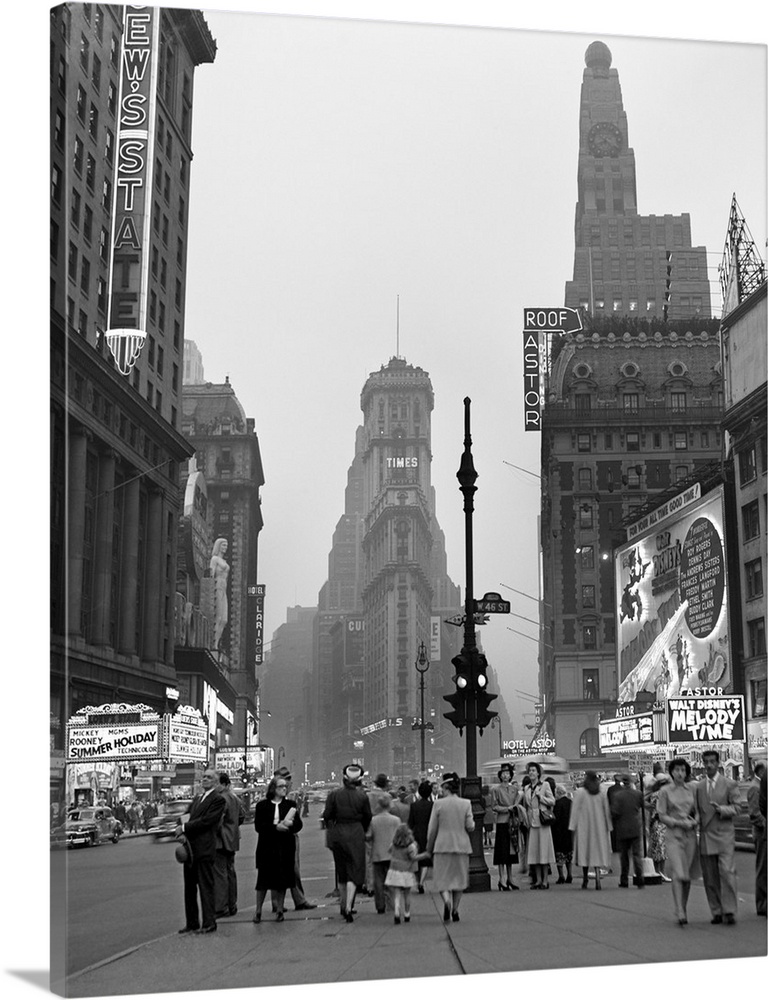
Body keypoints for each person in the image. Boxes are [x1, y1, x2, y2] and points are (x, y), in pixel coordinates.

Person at [177, 768, 227, 935]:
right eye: (204, 777)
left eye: (209, 777)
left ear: (215, 782)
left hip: (205, 849)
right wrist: (182, 832)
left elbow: (207, 821)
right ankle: (192, 922)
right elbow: (186, 816)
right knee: (189, 889)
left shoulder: (218, 800)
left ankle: (209, 922)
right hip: (190, 849)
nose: (204, 779)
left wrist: (185, 827)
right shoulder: (197, 799)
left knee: (206, 887)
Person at [694, 749, 740, 925]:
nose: (709, 765)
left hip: (724, 834)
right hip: (706, 835)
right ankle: (716, 911)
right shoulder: (698, 787)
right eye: (706, 762)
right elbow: (697, 811)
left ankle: (729, 910)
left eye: (712, 761)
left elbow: (738, 808)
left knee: (727, 873)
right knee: (710, 877)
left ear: (718, 763)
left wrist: (722, 809)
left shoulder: (730, 784)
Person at [323, 763, 372, 922]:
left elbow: (327, 816)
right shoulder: (362, 796)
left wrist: (333, 829)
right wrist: (361, 829)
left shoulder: (333, 795)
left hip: (338, 834)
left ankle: (343, 905)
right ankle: (349, 906)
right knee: (355, 872)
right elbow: (367, 817)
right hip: (355, 833)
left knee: (342, 871)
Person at [253, 775, 303, 923]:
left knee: (282, 880)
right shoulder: (262, 806)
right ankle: (258, 911)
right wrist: (276, 827)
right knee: (263, 881)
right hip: (267, 846)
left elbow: (298, 825)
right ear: (273, 788)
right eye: (281, 786)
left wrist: (288, 826)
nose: (284, 789)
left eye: (285, 787)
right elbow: (259, 826)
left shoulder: (290, 805)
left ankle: (280, 910)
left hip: (285, 846)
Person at [426, 772, 474, 922]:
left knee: (442, 879)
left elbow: (432, 829)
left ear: (446, 787)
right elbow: (470, 826)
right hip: (461, 846)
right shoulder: (466, 803)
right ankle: (455, 909)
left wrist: (429, 847)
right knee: (459, 880)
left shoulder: (438, 804)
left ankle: (446, 901)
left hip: (442, 846)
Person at [656, 758, 697, 924]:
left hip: (690, 834)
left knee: (686, 876)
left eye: (683, 770)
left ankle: (683, 906)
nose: (680, 773)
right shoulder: (665, 791)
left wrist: (695, 821)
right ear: (671, 772)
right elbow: (661, 815)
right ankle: (679, 909)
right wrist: (678, 822)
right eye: (677, 770)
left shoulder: (692, 789)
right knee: (678, 873)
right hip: (673, 835)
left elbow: (699, 810)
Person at [273, 767, 317, 911]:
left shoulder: (291, 799)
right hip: (276, 838)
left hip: (290, 837)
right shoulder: (270, 801)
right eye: (286, 779)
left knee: (293, 869)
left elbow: (298, 822)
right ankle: (278, 902)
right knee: (278, 870)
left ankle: (298, 900)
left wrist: (291, 826)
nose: (288, 783)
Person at [569, 770, 612, 890]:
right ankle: (598, 878)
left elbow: (575, 810)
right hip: (599, 827)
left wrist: (572, 826)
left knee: (584, 853)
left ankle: (585, 879)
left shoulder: (580, 792)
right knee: (597, 853)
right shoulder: (601, 793)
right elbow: (606, 810)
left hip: (584, 827)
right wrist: (609, 826)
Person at [214, 772, 246, 919]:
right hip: (233, 839)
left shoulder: (221, 798)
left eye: (218, 783)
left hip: (221, 840)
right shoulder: (235, 798)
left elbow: (217, 820)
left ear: (225, 784)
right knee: (230, 872)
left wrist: (221, 830)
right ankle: (232, 904)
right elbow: (241, 816)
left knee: (220, 874)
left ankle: (221, 907)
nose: (216, 787)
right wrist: (232, 828)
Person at [385, 823, 429, 923]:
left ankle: (396, 911)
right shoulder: (410, 847)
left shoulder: (394, 844)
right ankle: (407, 913)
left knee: (397, 894)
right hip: (406, 872)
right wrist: (424, 855)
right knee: (407, 894)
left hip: (395, 871)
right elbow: (414, 858)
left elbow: (389, 851)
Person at [523, 762, 556, 889]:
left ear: (538, 773)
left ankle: (545, 881)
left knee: (544, 851)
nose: (531, 773)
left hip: (542, 822)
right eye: (529, 770)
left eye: (533, 770)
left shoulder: (545, 785)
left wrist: (541, 798)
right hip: (532, 823)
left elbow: (552, 800)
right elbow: (526, 805)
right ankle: (537, 880)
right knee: (534, 853)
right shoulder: (526, 788)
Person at [610, 772, 645, 890]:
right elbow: (643, 806)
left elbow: (614, 812)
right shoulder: (638, 794)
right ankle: (640, 879)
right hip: (635, 827)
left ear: (622, 783)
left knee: (624, 856)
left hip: (622, 828)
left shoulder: (617, 795)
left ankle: (624, 880)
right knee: (637, 855)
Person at [368, 793, 400, 914]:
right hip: (392, 854)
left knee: (379, 882)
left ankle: (380, 906)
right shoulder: (396, 820)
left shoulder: (374, 820)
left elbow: (369, 836)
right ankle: (393, 905)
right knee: (392, 881)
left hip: (378, 854)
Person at [490, 763, 520, 890]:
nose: (505, 775)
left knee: (511, 852)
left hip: (512, 822)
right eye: (503, 773)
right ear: (500, 776)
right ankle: (502, 878)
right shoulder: (496, 790)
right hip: (502, 822)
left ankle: (510, 878)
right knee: (502, 852)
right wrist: (507, 808)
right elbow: (494, 806)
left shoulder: (515, 789)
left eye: (508, 773)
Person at [645, 765, 672, 882]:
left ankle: (658, 871)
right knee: (661, 850)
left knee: (657, 850)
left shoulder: (654, 794)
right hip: (661, 823)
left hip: (655, 823)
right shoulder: (662, 794)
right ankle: (662, 872)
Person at [407, 779, 434, 893]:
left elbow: (410, 822)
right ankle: (421, 883)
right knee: (426, 859)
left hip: (417, 833)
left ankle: (418, 881)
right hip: (428, 833)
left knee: (416, 858)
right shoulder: (432, 805)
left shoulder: (414, 806)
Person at [748, 761, 767, 917]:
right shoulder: (755, 787)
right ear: (761, 772)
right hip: (761, 833)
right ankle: (761, 905)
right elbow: (755, 814)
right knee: (762, 867)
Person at [209, 537, 230, 649]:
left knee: (224, 619)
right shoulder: (214, 559)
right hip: (217, 587)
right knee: (218, 617)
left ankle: (216, 642)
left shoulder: (224, 561)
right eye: (223, 545)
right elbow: (211, 574)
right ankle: (214, 644)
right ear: (218, 546)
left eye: (226, 545)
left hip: (224, 590)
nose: (225, 548)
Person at [552, 785, 573, 884]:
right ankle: (570, 874)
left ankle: (561, 876)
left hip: (559, 833)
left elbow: (556, 819)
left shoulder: (557, 804)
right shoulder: (570, 802)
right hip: (569, 832)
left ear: (559, 793)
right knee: (569, 855)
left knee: (560, 855)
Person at [606, 774, 623, 854]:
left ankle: (614, 847)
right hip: (621, 812)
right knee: (620, 829)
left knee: (613, 830)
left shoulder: (610, 789)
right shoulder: (622, 789)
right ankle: (620, 846)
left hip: (612, 812)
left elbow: (608, 801)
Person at [481, 785, 494, 849]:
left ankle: (485, 839)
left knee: (485, 828)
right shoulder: (490, 796)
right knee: (490, 828)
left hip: (484, 812)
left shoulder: (482, 797)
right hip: (490, 811)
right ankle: (490, 839)